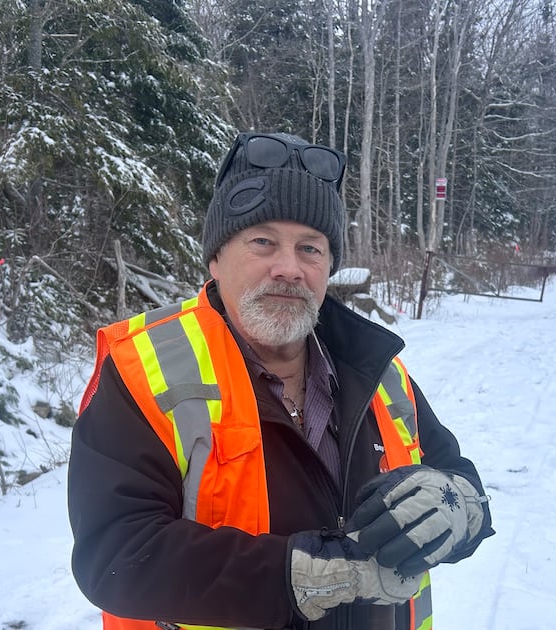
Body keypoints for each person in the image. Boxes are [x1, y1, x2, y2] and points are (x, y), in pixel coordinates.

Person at [67, 131, 494, 630]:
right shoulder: (144, 369)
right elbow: (116, 554)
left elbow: (460, 481)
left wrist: (456, 510)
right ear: (215, 259)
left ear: (330, 266)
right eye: (263, 241)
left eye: (310, 249)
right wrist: (302, 576)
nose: (289, 269)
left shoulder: (377, 371)